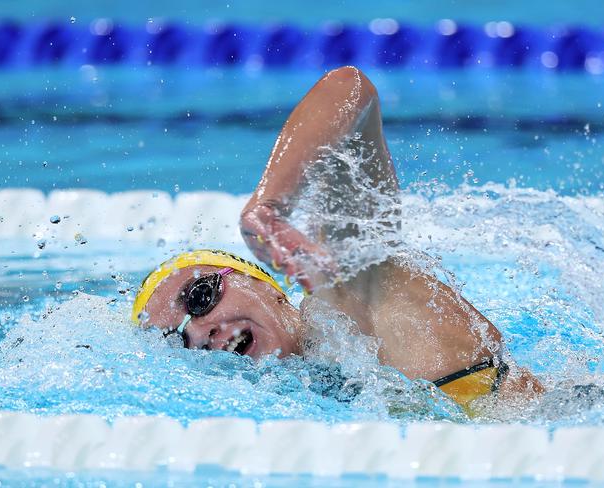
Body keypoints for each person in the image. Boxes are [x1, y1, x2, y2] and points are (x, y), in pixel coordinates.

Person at [132, 66, 543, 415]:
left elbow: (349, 86)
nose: (200, 332)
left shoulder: (348, 295)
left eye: (200, 296)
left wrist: (268, 205)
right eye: (180, 340)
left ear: (261, 282)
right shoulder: (308, 390)